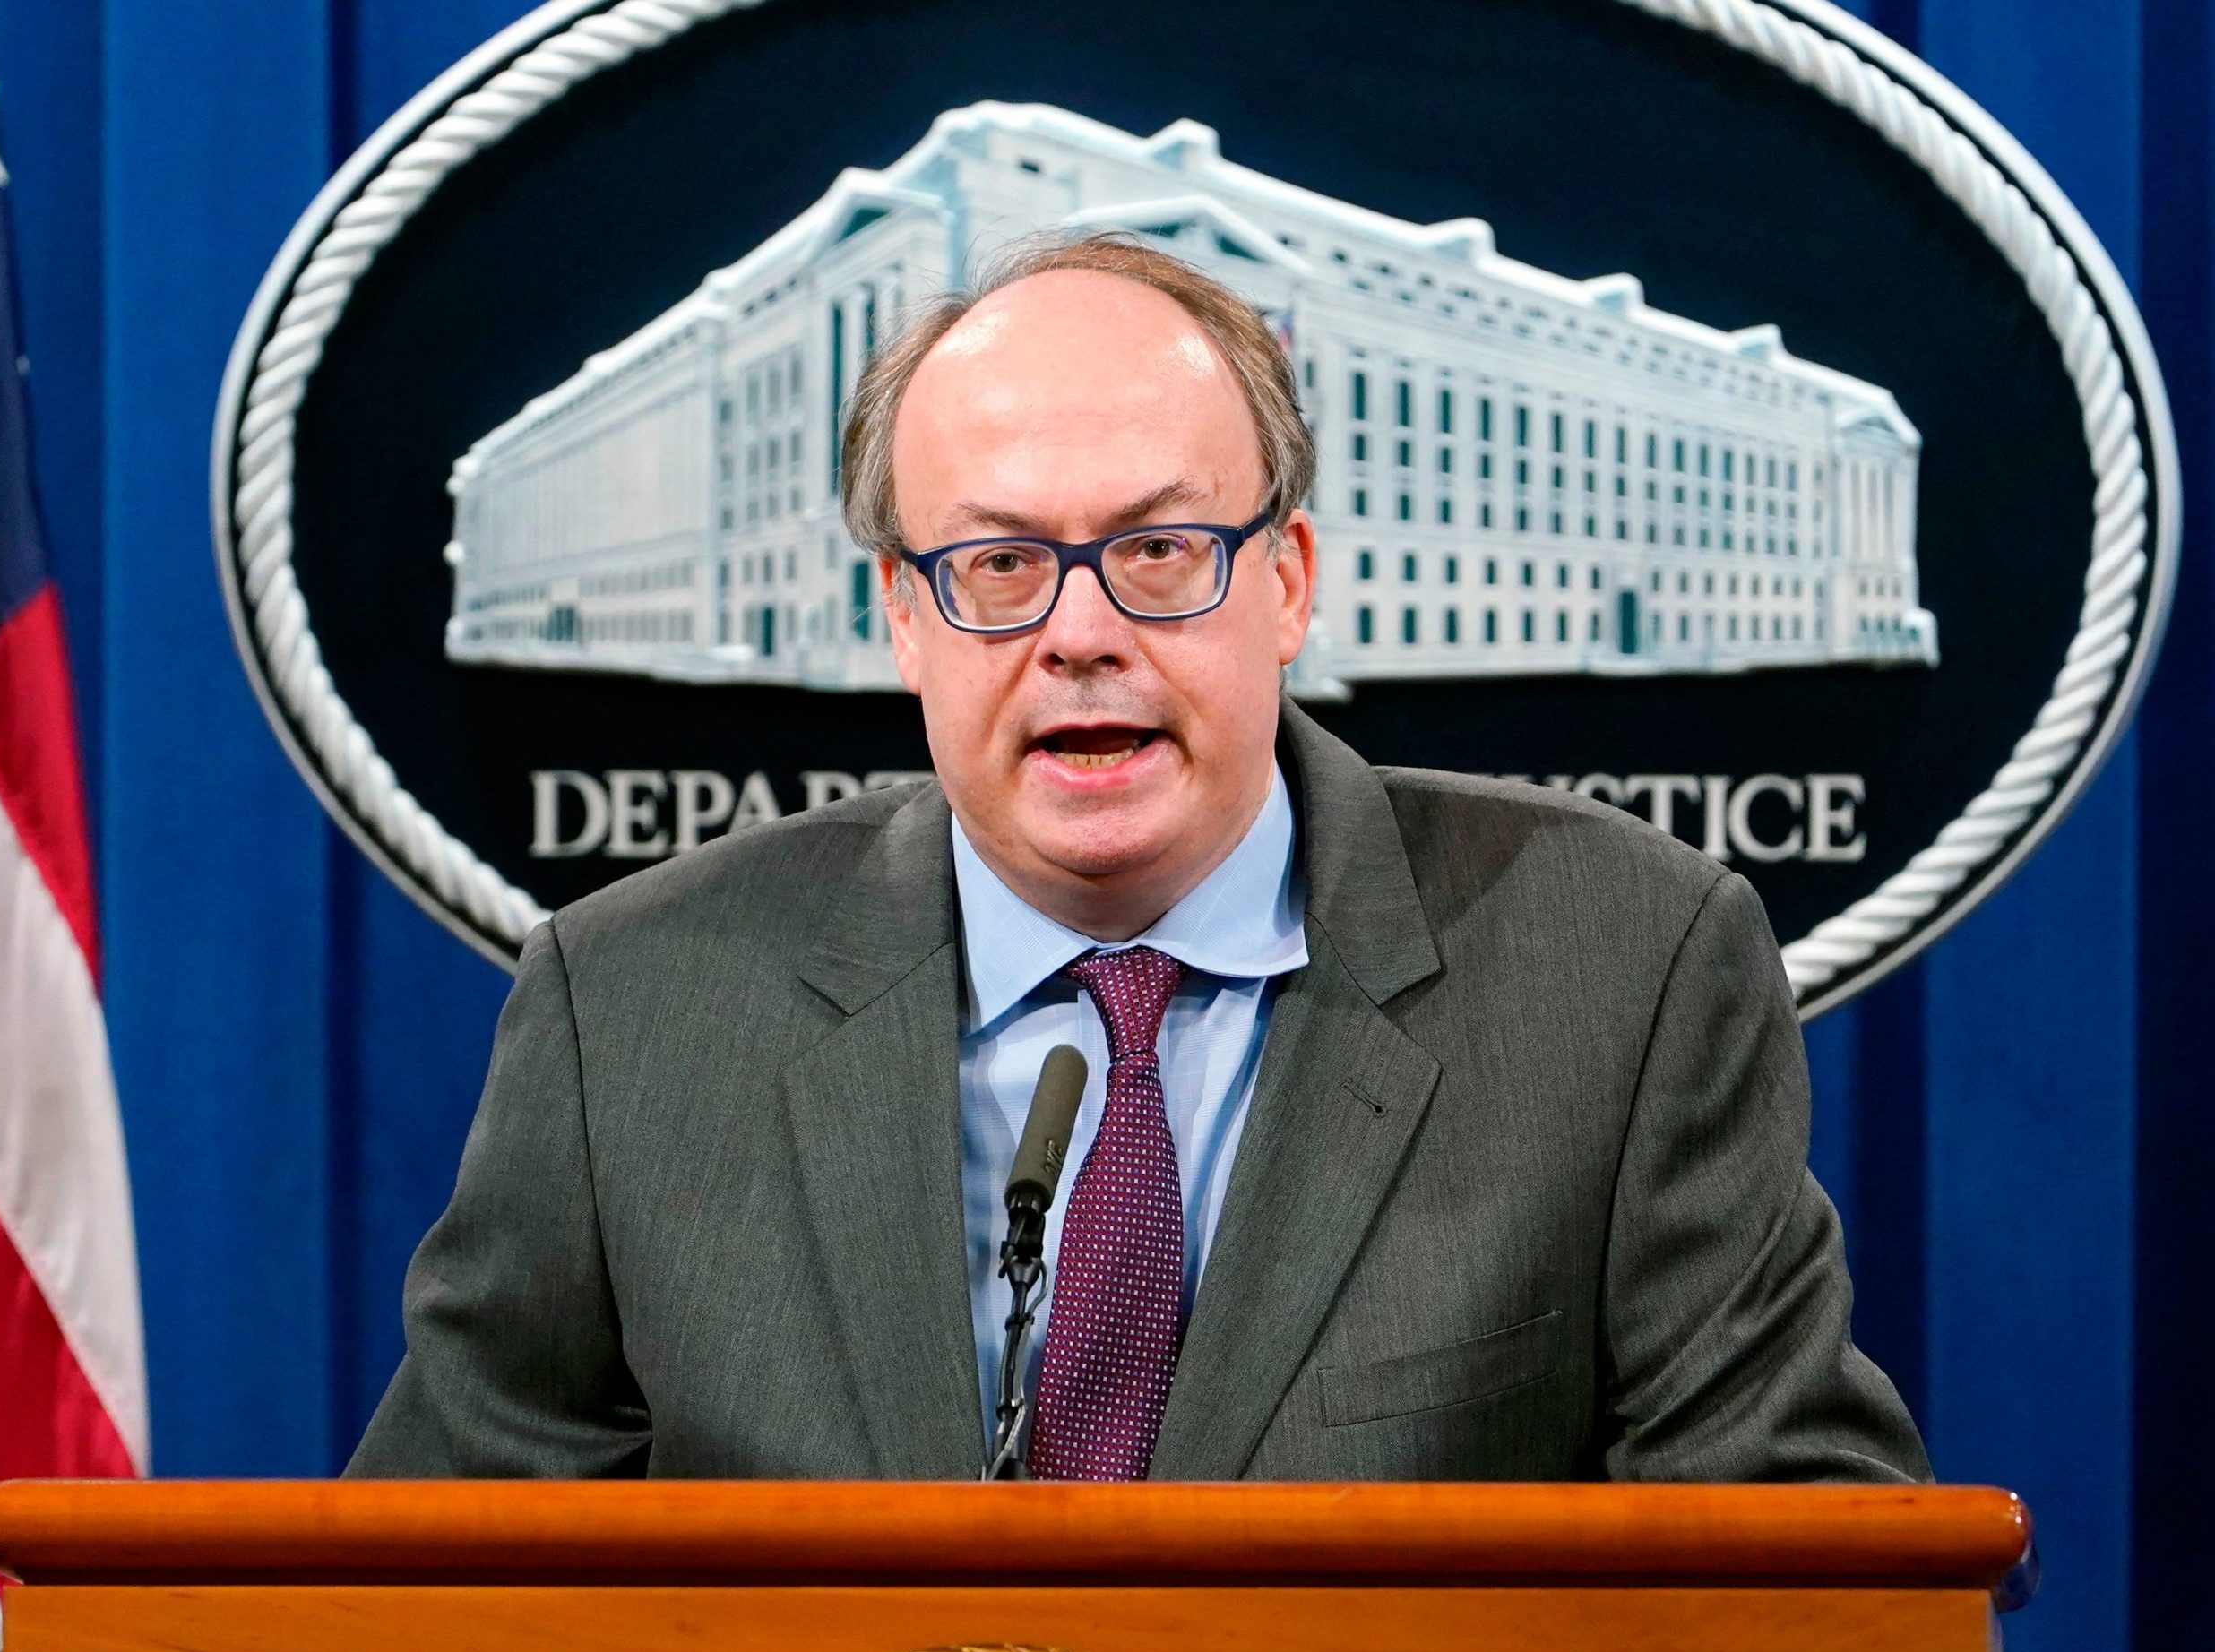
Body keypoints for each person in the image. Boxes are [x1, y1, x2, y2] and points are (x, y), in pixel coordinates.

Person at [349, 234, 1926, 1484]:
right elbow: (432, 1610)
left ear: (1287, 583)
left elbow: (1798, 1583)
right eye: (999, 565)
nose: (1081, 635)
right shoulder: (629, 1010)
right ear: (904, 618)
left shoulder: (1618, 969)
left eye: (1161, 552)